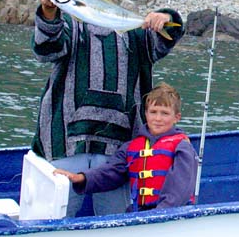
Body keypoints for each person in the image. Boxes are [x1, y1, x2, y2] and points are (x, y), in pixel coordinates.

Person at [32, 0, 185, 216]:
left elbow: (169, 36)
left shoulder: (138, 33)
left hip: (119, 146)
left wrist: (166, 17)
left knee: (113, 221)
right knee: (55, 216)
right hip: (68, 141)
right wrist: (48, 11)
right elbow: (46, 50)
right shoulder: (65, 21)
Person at [54, 83, 198, 212]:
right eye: (153, 112)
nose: (158, 118)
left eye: (165, 113)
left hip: (169, 215)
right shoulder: (132, 147)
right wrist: (81, 178)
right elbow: (110, 172)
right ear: (146, 113)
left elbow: (180, 189)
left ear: (176, 117)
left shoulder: (182, 147)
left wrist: (159, 215)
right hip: (139, 213)